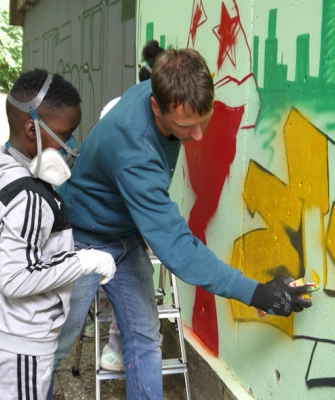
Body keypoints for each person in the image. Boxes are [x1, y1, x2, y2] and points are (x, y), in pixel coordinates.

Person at [50, 48, 313, 399]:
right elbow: (178, 250)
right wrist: (256, 293)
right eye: (186, 127)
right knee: (55, 343)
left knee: (145, 338)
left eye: (204, 120)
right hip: (83, 238)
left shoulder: (167, 86)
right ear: (156, 106)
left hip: (125, 234)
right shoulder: (135, 152)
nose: (198, 135)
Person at [0, 68, 116, 400]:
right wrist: (85, 261)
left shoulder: (1, 164)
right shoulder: (29, 196)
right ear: (32, 128)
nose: (71, 147)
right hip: (17, 335)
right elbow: (17, 279)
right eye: (65, 134)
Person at [80, 39, 166, 373]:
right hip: (100, 224)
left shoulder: (129, 108)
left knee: (141, 332)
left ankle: (109, 327)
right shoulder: (125, 120)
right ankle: (109, 330)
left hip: (122, 223)